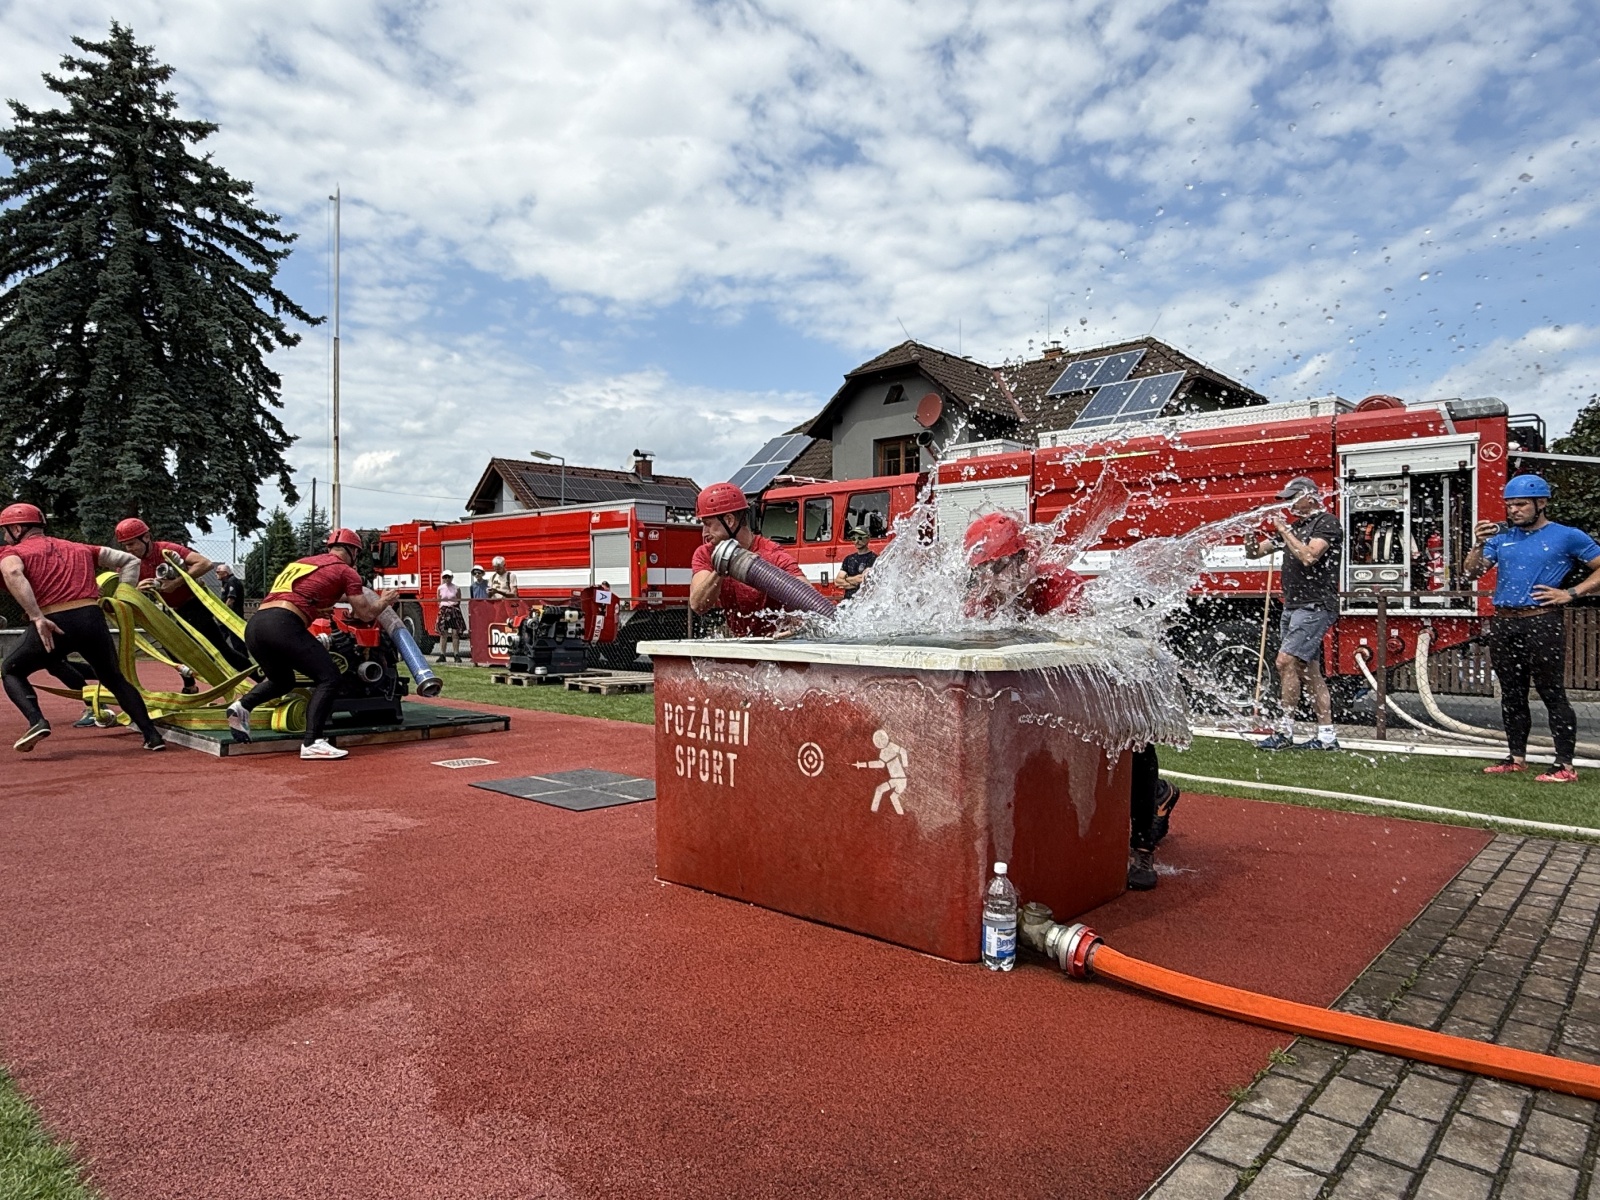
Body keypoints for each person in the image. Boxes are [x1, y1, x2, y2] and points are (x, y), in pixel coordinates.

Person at [962, 512, 1177, 891]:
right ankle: (1154, 793)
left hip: (1114, 665)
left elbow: (1092, 654)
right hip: (1058, 673)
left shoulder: (1059, 586)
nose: (992, 581)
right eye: (984, 572)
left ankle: (1142, 844)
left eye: (999, 568)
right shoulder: (982, 602)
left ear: (1023, 561)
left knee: (1134, 736)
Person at [1463, 474, 1600, 783]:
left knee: (1552, 692)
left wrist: (1572, 593)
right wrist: (1479, 543)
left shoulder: (1567, 535)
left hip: (1542, 619)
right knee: (1511, 693)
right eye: (1510, 505)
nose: (1514, 510)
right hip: (1505, 621)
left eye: (1521, 504)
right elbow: (1471, 572)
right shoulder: (1502, 536)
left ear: (1542, 503)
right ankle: (1516, 758)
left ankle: (1564, 765)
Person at [0, 503, 166, 752]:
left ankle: (37, 721)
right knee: (112, 677)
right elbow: (130, 560)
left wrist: (36, 616)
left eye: (5, 530)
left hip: (54, 620)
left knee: (11, 670)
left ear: (16, 529)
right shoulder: (80, 547)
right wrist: (122, 599)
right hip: (91, 618)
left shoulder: (13, 552)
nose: (4, 537)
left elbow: (13, 572)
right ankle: (152, 736)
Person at [225, 528, 398, 761]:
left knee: (282, 680)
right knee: (330, 677)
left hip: (256, 625)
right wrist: (385, 601)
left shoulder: (303, 563)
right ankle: (313, 741)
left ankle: (242, 706)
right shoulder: (346, 571)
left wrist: (317, 607)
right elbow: (365, 614)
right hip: (283, 624)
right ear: (353, 551)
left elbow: (302, 593)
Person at [1246, 476, 1343, 751]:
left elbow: (1309, 556)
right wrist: (1249, 533)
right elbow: (1255, 553)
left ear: (1309, 496)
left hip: (1315, 605)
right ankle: (1327, 736)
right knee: (1309, 671)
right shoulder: (1296, 527)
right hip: (1293, 606)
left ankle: (1284, 731)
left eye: (1292, 498)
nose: (1288, 504)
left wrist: (1285, 531)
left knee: (1284, 662)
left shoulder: (1326, 523)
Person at [114, 518, 251, 680]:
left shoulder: (166, 549)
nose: (129, 549)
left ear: (146, 537)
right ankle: (259, 677)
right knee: (206, 649)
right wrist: (137, 590)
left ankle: (262, 678)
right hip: (175, 611)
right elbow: (121, 592)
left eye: (131, 544)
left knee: (206, 648)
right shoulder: (130, 563)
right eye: (125, 545)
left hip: (194, 605)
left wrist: (176, 583)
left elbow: (205, 563)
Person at [689, 482, 806, 636]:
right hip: (742, 642)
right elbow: (698, 605)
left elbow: (811, 602)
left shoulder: (772, 555)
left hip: (776, 642)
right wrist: (720, 570)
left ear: (729, 520)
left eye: (708, 524)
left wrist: (797, 629)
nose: (704, 533)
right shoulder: (706, 553)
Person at [435, 569, 465, 663]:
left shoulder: (456, 588)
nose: (447, 579)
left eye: (449, 577)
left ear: (452, 578)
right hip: (444, 610)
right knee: (443, 633)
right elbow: (439, 600)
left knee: (455, 633)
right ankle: (442, 654)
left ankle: (456, 654)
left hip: (454, 610)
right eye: (445, 577)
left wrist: (453, 607)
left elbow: (458, 600)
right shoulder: (440, 588)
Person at [837, 528, 877, 600]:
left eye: (860, 538)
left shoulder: (873, 558)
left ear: (868, 538)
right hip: (847, 601)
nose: (856, 541)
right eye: (853, 539)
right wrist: (855, 584)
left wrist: (846, 579)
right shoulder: (848, 558)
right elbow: (837, 582)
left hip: (863, 601)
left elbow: (863, 579)